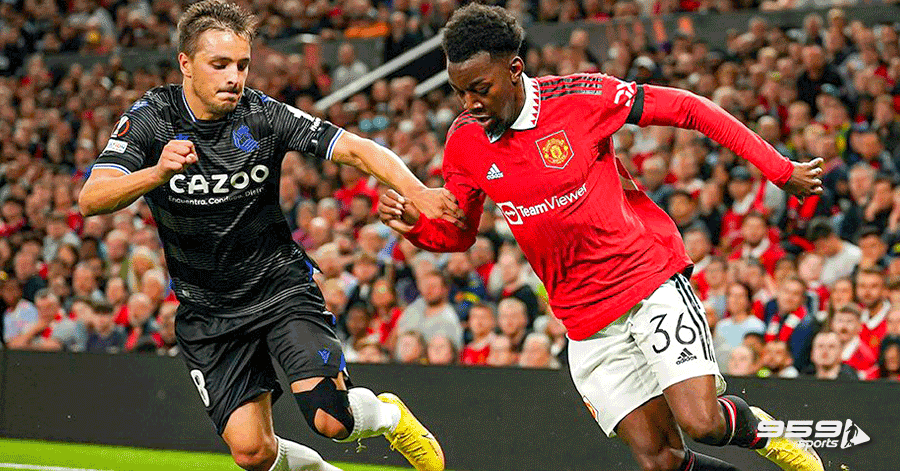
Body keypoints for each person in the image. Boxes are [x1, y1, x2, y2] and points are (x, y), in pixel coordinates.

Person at [378, 4, 824, 471]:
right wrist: (417, 226)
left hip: (646, 281)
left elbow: (688, 108)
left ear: (515, 69)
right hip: (585, 319)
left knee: (704, 422)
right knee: (661, 462)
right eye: (459, 92)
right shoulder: (465, 141)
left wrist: (780, 169)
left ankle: (770, 434)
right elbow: (460, 234)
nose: (470, 103)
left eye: (480, 88)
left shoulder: (581, 97)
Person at [77, 2, 453, 470]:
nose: (234, 77)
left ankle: (389, 416)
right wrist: (156, 173)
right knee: (252, 452)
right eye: (220, 65)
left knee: (331, 420)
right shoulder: (152, 118)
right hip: (208, 310)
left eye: (242, 65)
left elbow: (356, 149)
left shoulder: (262, 115)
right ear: (186, 64)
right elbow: (91, 198)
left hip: (279, 289)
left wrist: (418, 191)